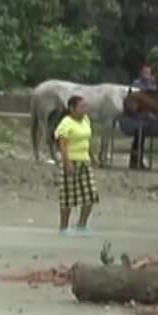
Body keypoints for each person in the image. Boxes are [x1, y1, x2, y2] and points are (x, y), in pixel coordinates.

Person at [54, 95, 98, 235]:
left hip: (84, 161)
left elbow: (87, 140)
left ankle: (82, 225)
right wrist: (67, 163)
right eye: (81, 107)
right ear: (72, 109)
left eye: (85, 106)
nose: (84, 110)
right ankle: (64, 227)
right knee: (68, 196)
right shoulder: (66, 123)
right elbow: (63, 145)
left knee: (90, 194)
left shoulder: (85, 120)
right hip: (71, 160)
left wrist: (93, 156)